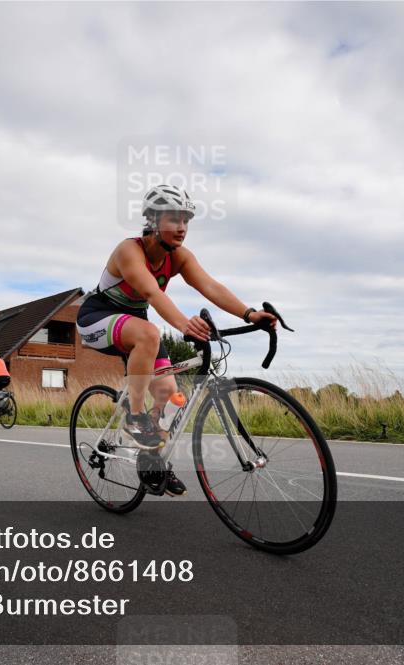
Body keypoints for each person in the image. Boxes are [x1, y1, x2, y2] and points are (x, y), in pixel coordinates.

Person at [76, 184, 277, 496]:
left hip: (136, 326)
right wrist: (185, 324)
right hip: (97, 318)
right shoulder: (129, 251)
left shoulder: (179, 257)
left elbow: (211, 286)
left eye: (186, 221)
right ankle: (135, 416)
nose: (182, 228)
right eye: (174, 219)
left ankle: (151, 461)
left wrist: (249, 314)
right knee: (149, 333)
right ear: (153, 221)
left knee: (171, 396)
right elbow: (151, 294)